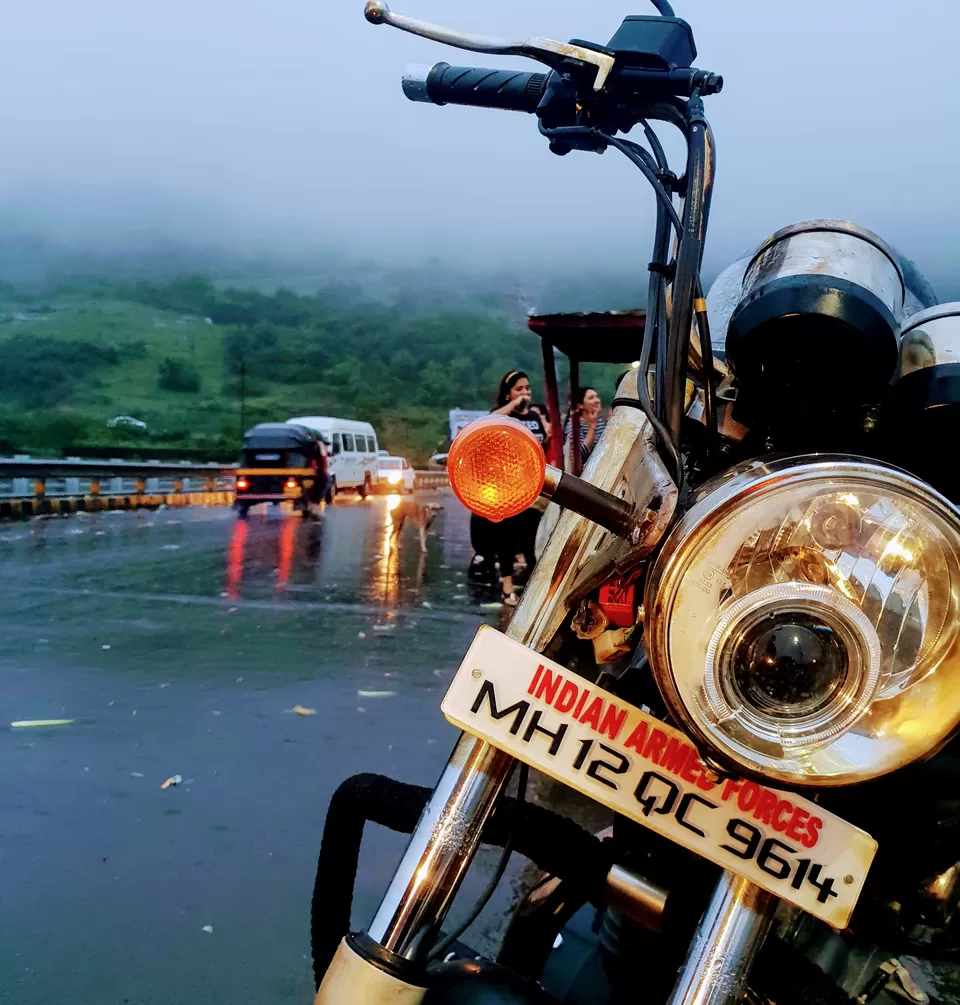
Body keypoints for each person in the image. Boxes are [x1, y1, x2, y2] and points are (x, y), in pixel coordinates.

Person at [476, 370, 546, 606]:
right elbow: (488, 423)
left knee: (529, 542)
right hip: (506, 490)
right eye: (519, 389)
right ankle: (507, 588)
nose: (525, 393)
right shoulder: (502, 416)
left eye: (527, 388)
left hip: (531, 490)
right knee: (505, 540)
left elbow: (542, 444)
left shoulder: (534, 418)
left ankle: (534, 590)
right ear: (507, 394)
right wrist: (514, 406)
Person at [564, 387, 606, 467]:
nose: (597, 400)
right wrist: (593, 426)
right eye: (591, 398)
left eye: (596, 397)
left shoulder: (600, 422)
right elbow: (581, 454)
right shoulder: (573, 424)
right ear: (580, 405)